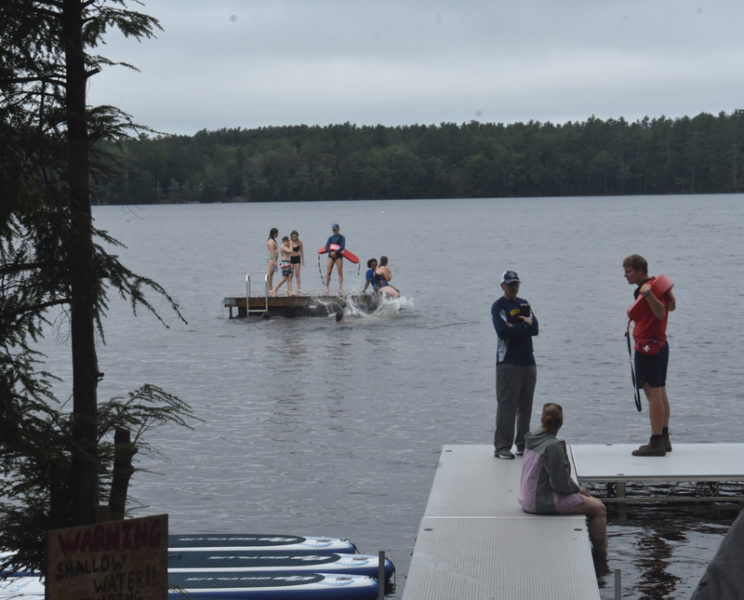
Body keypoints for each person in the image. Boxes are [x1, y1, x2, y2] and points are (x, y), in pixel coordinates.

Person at [519, 403, 607, 557]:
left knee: (591, 503)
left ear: (542, 420)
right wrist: (578, 490)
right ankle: (601, 553)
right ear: (561, 423)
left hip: (527, 497)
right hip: (541, 501)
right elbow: (559, 484)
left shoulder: (533, 438)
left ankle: (599, 548)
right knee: (599, 508)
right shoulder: (552, 446)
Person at [623, 254, 676, 457]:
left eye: (628, 271)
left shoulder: (648, 289)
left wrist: (647, 295)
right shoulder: (659, 285)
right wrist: (667, 294)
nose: (625, 275)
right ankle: (664, 437)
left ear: (640, 271)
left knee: (652, 393)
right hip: (660, 344)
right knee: (660, 391)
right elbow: (672, 306)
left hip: (648, 347)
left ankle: (655, 442)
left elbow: (662, 312)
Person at [491, 270, 538, 459]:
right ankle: (502, 447)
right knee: (507, 407)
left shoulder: (523, 304)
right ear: (503, 286)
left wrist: (518, 327)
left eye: (516, 284)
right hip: (508, 362)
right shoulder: (499, 306)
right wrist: (523, 326)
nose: (514, 288)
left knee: (526, 406)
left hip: (528, 361)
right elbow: (503, 332)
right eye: (510, 284)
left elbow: (534, 328)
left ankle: (522, 445)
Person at [324, 224, 345, 295]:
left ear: (339, 229)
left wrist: (336, 252)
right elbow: (326, 246)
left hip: (338, 256)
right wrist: (330, 252)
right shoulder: (330, 238)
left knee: (340, 272)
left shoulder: (342, 237)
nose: (335, 231)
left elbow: (342, 247)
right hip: (330, 256)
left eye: (336, 229)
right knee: (328, 272)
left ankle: (340, 288)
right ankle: (327, 287)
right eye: (333, 230)